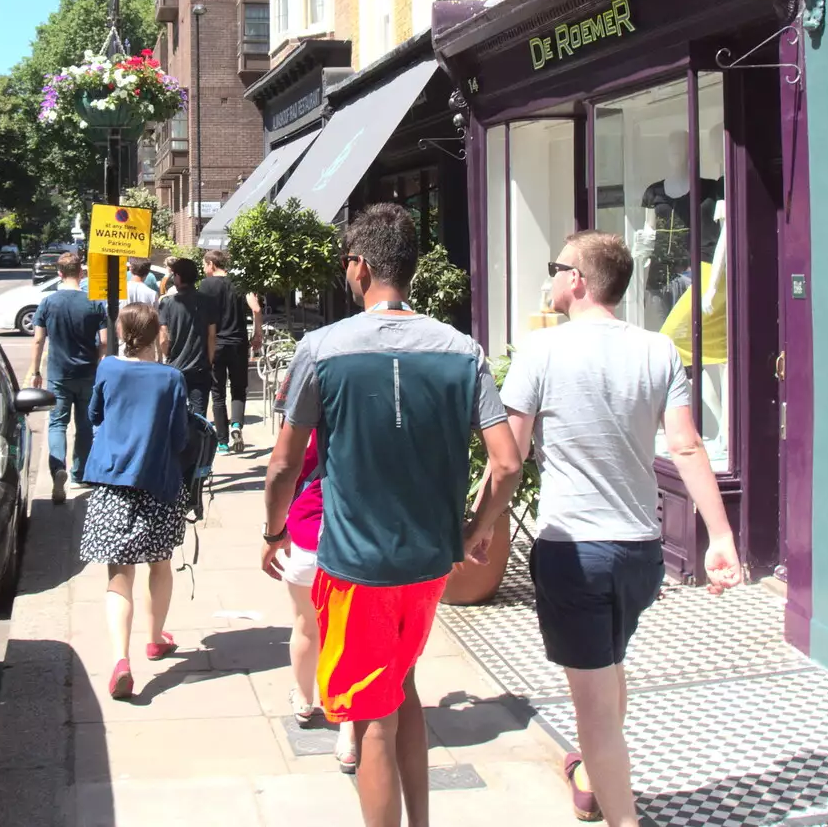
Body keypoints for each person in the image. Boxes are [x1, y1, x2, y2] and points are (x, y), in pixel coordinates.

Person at [262, 204, 521, 827]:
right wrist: (475, 529)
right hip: (430, 562)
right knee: (400, 690)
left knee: (370, 718)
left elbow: (283, 463)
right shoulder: (463, 351)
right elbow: (506, 464)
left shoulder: (321, 349)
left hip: (358, 566)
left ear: (360, 267)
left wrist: (273, 532)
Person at [486, 230, 743, 827]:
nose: (549, 278)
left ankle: (616, 808)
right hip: (639, 553)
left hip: (574, 552)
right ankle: (597, 772)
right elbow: (686, 445)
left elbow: (509, 458)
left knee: (595, 710)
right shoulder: (657, 350)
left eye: (556, 268)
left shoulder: (539, 352)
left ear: (578, 280)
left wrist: (479, 525)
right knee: (608, 667)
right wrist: (720, 536)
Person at [81, 303, 191, 700]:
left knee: (118, 575)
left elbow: (95, 414)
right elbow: (180, 439)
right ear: (157, 332)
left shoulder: (108, 368)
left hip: (113, 483)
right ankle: (156, 638)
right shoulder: (171, 378)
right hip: (159, 484)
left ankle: (120, 660)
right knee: (160, 564)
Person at [270, 373, 358, 773]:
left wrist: (272, 533)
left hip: (306, 535)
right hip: (354, 540)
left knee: (306, 625)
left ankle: (305, 700)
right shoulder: (366, 428)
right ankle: (348, 733)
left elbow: (283, 472)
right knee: (348, 635)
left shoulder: (305, 429)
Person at [29, 252, 106, 504]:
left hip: (59, 374)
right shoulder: (94, 303)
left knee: (57, 424)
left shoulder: (48, 303)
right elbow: (104, 341)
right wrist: (99, 362)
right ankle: (79, 473)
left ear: (59, 274)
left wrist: (35, 370)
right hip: (87, 373)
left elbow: (39, 339)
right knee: (84, 425)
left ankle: (56, 470)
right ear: (81, 273)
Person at [200, 249, 262, 453]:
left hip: (215, 343)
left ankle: (223, 442)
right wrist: (257, 334)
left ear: (211, 264)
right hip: (238, 342)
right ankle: (237, 424)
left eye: (204, 264)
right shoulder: (239, 283)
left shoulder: (205, 285)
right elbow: (257, 309)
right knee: (238, 388)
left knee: (217, 393)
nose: (203, 268)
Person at [157, 258, 215, 420]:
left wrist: (166, 355)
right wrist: (209, 361)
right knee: (199, 416)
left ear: (179, 276)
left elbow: (163, 337)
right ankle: (198, 445)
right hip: (200, 368)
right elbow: (212, 335)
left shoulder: (167, 303)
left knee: (175, 414)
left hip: (175, 368)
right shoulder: (207, 301)